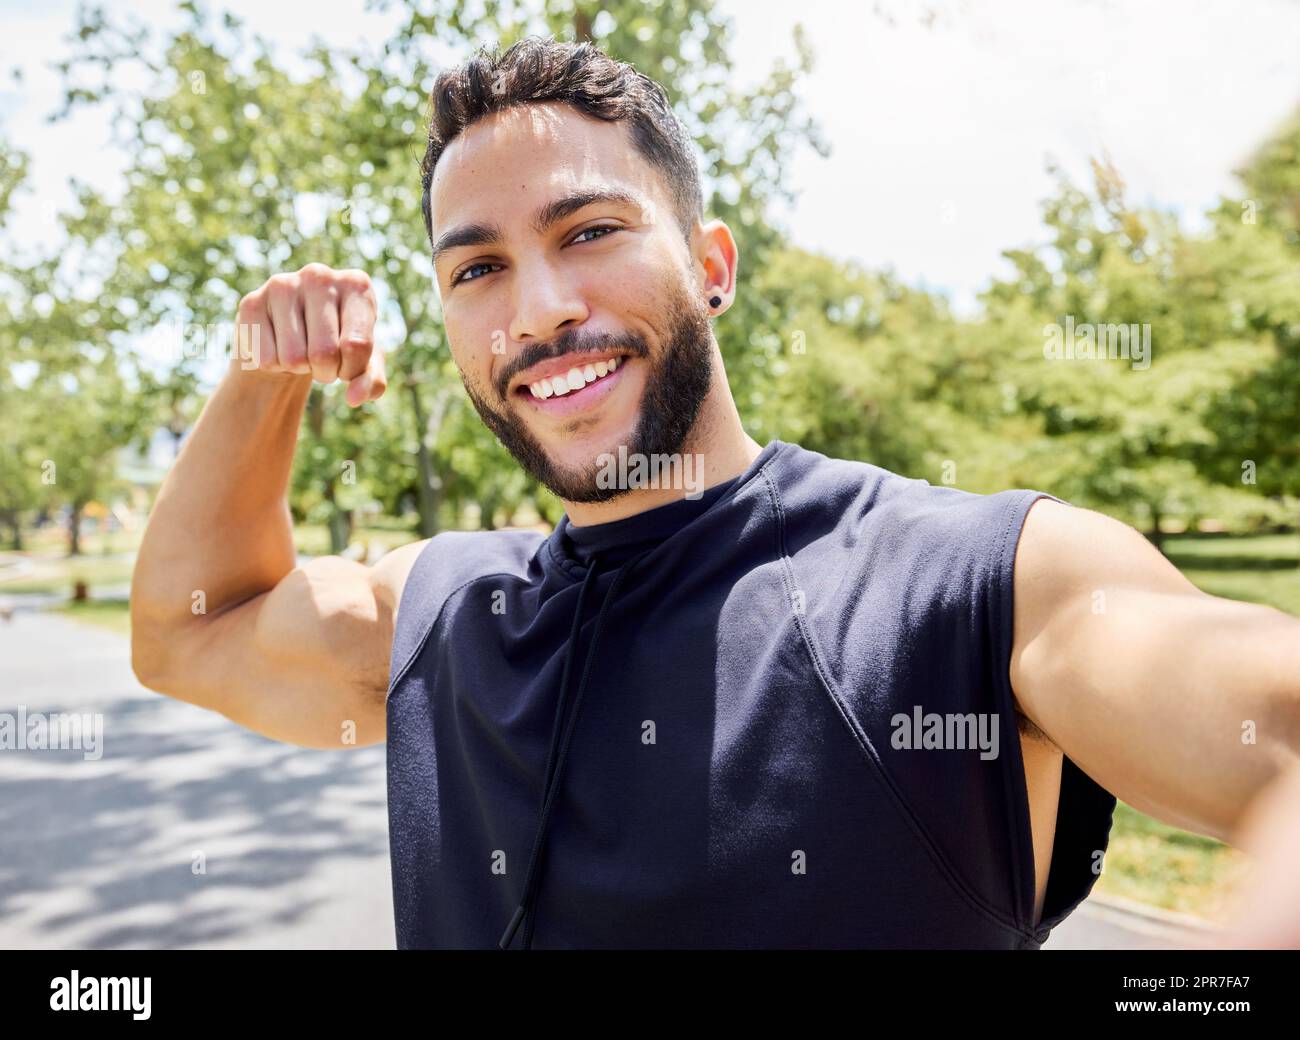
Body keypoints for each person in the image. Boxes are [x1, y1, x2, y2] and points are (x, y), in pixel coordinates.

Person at [130, 36, 1300, 950]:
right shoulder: (438, 609)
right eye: (476, 267)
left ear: (711, 264)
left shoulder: (971, 581)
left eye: (588, 230)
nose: (535, 308)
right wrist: (261, 380)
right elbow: (192, 632)